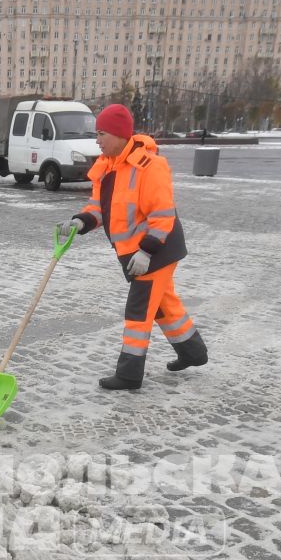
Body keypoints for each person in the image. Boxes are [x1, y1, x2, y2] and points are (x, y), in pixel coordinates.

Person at [63, 103, 207, 391]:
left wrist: (147, 251)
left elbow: (162, 214)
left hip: (158, 249)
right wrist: (81, 222)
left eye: (101, 133)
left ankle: (129, 375)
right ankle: (193, 352)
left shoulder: (150, 166)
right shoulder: (106, 167)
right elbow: (100, 208)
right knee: (164, 304)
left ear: (118, 134)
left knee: (139, 310)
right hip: (136, 253)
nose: (97, 140)